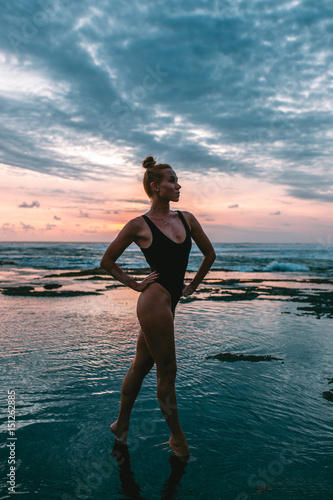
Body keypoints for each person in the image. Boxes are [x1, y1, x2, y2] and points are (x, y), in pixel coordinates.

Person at [100, 156, 216, 458]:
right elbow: (107, 261)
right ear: (156, 186)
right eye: (172, 180)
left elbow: (209, 255)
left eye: (177, 180)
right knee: (168, 370)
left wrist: (192, 286)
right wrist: (136, 285)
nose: (178, 185)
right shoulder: (139, 225)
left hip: (170, 301)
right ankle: (177, 438)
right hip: (153, 301)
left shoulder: (187, 219)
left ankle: (121, 425)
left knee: (141, 365)